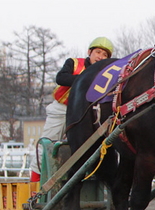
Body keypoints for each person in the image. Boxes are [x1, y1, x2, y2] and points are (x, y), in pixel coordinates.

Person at [30, 37, 114, 182]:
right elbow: (60, 78)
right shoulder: (74, 63)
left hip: (83, 114)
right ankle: (35, 182)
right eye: (98, 52)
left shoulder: (106, 74)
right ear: (89, 52)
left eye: (104, 55)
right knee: (46, 143)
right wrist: (86, 79)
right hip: (61, 109)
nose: (100, 57)